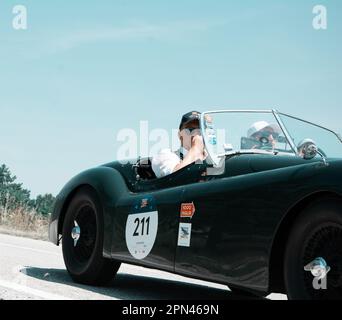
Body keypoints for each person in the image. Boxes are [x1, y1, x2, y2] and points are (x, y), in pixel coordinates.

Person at [152, 111, 206, 178]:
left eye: (201, 129)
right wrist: (196, 148)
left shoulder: (214, 159)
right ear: (180, 135)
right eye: (190, 129)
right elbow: (175, 178)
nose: (196, 134)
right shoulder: (166, 155)